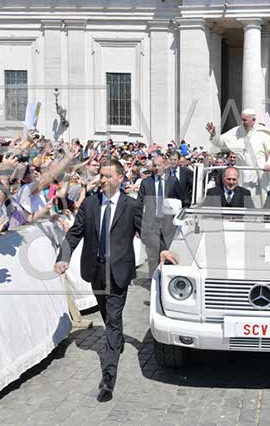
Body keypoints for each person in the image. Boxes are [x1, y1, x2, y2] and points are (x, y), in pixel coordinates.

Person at [54, 159, 142, 403]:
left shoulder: (131, 205)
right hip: (95, 271)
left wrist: (162, 251)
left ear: (120, 178)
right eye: (101, 175)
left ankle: (108, 378)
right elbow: (75, 233)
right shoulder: (90, 203)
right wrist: (63, 257)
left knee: (112, 321)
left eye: (108, 176)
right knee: (107, 314)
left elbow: (147, 233)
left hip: (119, 272)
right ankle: (117, 339)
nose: (102, 180)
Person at [206, 108, 270, 206]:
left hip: (259, 174)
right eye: (242, 120)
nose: (243, 122)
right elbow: (220, 142)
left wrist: (269, 163)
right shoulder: (236, 131)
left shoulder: (263, 134)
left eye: (245, 120)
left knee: (259, 202)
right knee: (241, 201)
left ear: (253, 120)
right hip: (242, 174)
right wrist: (214, 135)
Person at [136, 155, 185, 275]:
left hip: (169, 225)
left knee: (167, 253)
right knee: (153, 255)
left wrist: (179, 219)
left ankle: (166, 279)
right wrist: (138, 227)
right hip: (151, 225)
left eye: (159, 165)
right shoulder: (146, 182)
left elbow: (183, 200)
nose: (157, 168)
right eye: (154, 165)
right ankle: (153, 280)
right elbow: (139, 205)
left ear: (165, 165)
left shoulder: (172, 181)